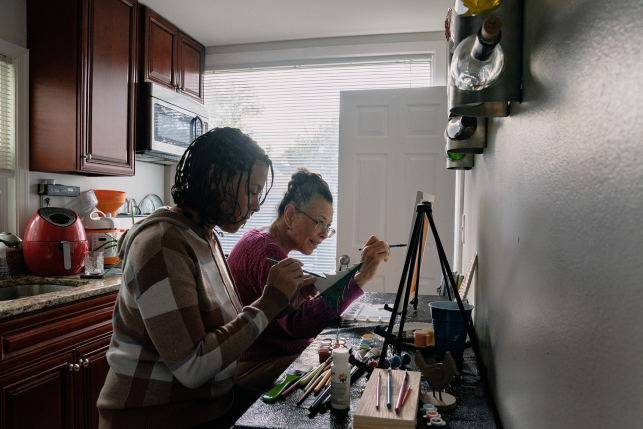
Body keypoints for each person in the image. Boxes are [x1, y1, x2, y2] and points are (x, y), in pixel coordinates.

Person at [97, 128, 312, 429]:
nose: (256, 205)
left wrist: (282, 303)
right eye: (251, 190)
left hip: (208, 405)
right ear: (215, 178)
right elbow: (193, 366)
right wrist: (268, 302)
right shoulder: (163, 244)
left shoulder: (205, 235)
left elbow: (226, 332)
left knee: (299, 412)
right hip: (157, 417)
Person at [227, 168, 390, 390]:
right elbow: (298, 324)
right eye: (319, 222)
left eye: (328, 227)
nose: (324, 233)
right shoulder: (266, 251)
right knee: (346, 374)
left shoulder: (264, 239)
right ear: (291, 215)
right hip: (257, 365)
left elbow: (289, 315)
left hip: (272, 356)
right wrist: (360, 279)